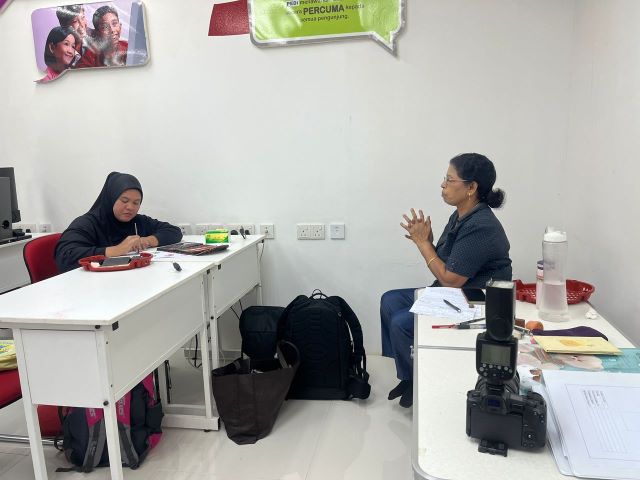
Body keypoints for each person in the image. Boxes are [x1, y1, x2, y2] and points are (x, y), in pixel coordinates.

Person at [380, 153, 512, 408]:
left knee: (402, 323)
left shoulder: (481, 225)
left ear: (471, 188)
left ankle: (420, 381)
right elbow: (445, 262)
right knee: (390, 300)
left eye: (450, 180)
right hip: (453, 293)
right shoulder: (461, 215)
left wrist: (423, 244)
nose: (443, 185)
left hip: (475, 300)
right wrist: (427, 241)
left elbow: (451, 279)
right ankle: (409, 375)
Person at [55, 172, 182, 273]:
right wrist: (116, 250)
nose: (130, 207)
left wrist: (147, 240)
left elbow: (174, 231)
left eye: (136, 203)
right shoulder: (87, 223)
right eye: (124, 201)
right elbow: (65, 256)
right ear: (111, 198)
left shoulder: (137, 221)